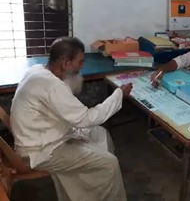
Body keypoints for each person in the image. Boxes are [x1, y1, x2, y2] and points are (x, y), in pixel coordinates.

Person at [10, 37, 132, 201]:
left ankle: (89, 192)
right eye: (80, 62)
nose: (82, 66)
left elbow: (69, 108)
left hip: (45, 135)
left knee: (100, 134)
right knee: (109, 163)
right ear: (65, 63)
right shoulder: (52, 86)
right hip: (40, 151)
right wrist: (118, 95)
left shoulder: (38, 70)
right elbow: (87, 118)